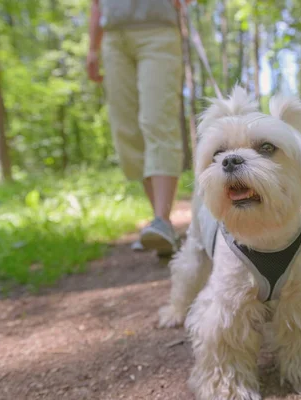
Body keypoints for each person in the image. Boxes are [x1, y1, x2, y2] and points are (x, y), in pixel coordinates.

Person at [86, 0, 191, 255]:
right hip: (114, 38)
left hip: (158, 30)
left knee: (157, 122)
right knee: (128, 133)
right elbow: (96, 3)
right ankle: (159, 228)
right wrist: (92, 48)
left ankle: (162, 220)